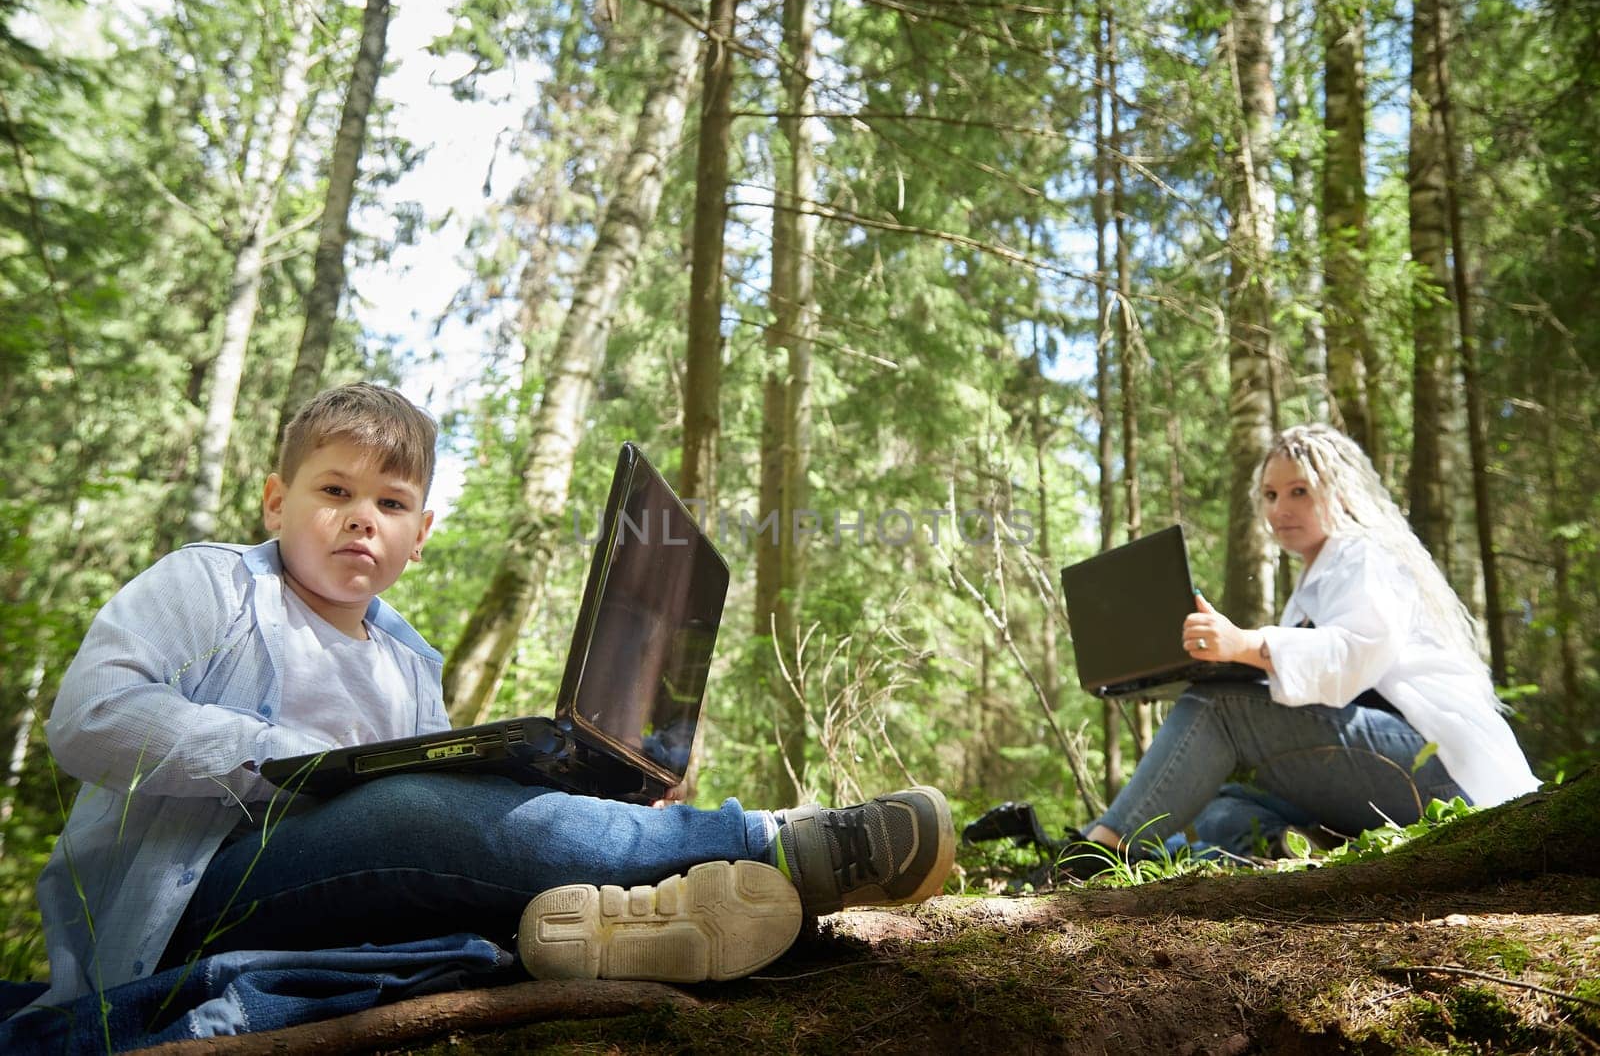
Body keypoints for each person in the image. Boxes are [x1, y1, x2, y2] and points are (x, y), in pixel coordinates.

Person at [33, 382, 955, 1009]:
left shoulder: (407, 657)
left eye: (391, 503)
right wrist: (288, 766)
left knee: (448, 800)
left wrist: (598, 782)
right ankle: (771, 845)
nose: (362, 515)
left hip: (348, 903)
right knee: (408, 805)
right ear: (277, 501)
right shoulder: (213, 585)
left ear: (420, 534)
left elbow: (444, 829)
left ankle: (606, 925)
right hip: (191, 903)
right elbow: (89, 717)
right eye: (334, 489)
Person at [1064, 423, 1541, 873]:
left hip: (1442, 773)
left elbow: (1355, 655)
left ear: (1339, 491)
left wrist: (1247, 644)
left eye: (1299, 492)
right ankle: (1306, 843)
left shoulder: (1363, 554)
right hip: (1386, 769)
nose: (1279, 510)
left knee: (1221, 707)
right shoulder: (1317, 576)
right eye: (1270, 495)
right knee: (1225, 805)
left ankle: (1099, 854)